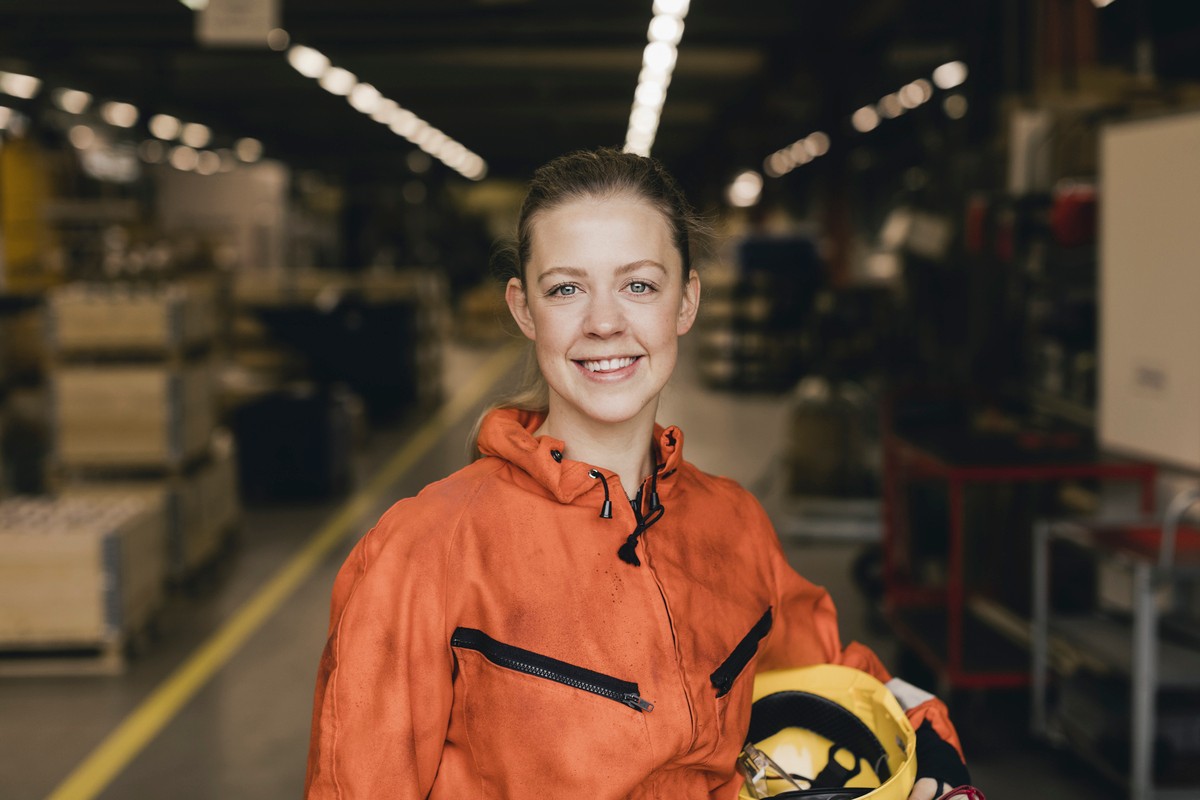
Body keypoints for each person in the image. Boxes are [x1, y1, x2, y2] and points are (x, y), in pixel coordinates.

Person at [304, 147, 971, 799]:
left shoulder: (732, 525)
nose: (603, 322)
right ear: (523, 309)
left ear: (686, 302)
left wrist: (930, 746)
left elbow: (831, 677)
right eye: (567, 288)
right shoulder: (423, 552)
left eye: (640, 285)